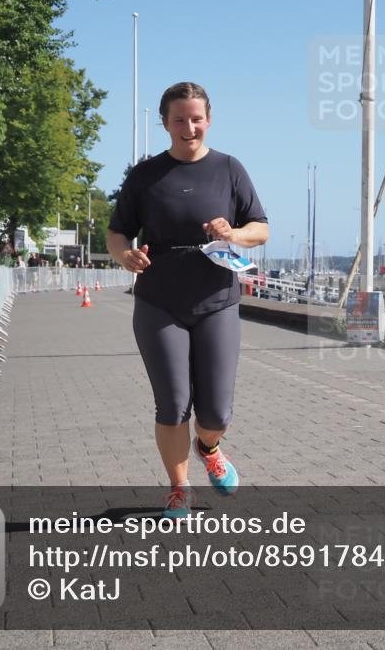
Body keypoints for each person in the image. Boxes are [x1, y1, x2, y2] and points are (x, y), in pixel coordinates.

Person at [107, 82, 269, 519]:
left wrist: (234, 234)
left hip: (217, 299)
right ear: (165, 123)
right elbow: (118, 231)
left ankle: (210, 447)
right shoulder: (145, 176)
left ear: (209, 120)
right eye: (179, 119)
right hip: (160, 302)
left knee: (215, 409)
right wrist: (125, 255)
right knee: (173, 403)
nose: (188, 126)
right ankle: (180, 488)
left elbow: (261, 228)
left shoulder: (229, 169)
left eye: (196, 118)